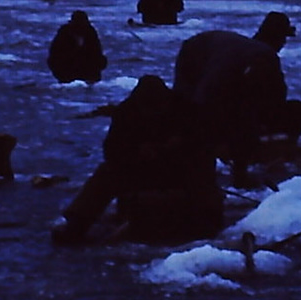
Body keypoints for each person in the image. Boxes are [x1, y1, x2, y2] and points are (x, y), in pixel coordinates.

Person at [52, 76, 222, 245]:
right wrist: (137, 153)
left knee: (201, 182)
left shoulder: (188, 112)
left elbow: (205, 152)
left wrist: (176, 150)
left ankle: (205, 221)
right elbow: (112, 152)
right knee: (106, 173)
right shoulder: (127, 112)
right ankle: (77, 223)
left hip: (181, 173)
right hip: (142, 171)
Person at [172, 12, 301, 185]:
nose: (283, 44)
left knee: (235, 112)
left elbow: (272, 94)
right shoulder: (254, 58)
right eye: (283, 40)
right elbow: (206, 99)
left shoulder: (257, 54)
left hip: (211, 57)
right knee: (192, 108)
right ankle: (190, 159)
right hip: (196, 54)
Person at [48, 10, 108, 84]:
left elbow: (97, 52)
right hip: (68, 71)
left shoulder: (90, 32)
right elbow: (55, 54)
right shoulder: (65, 32)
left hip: (88, 71)